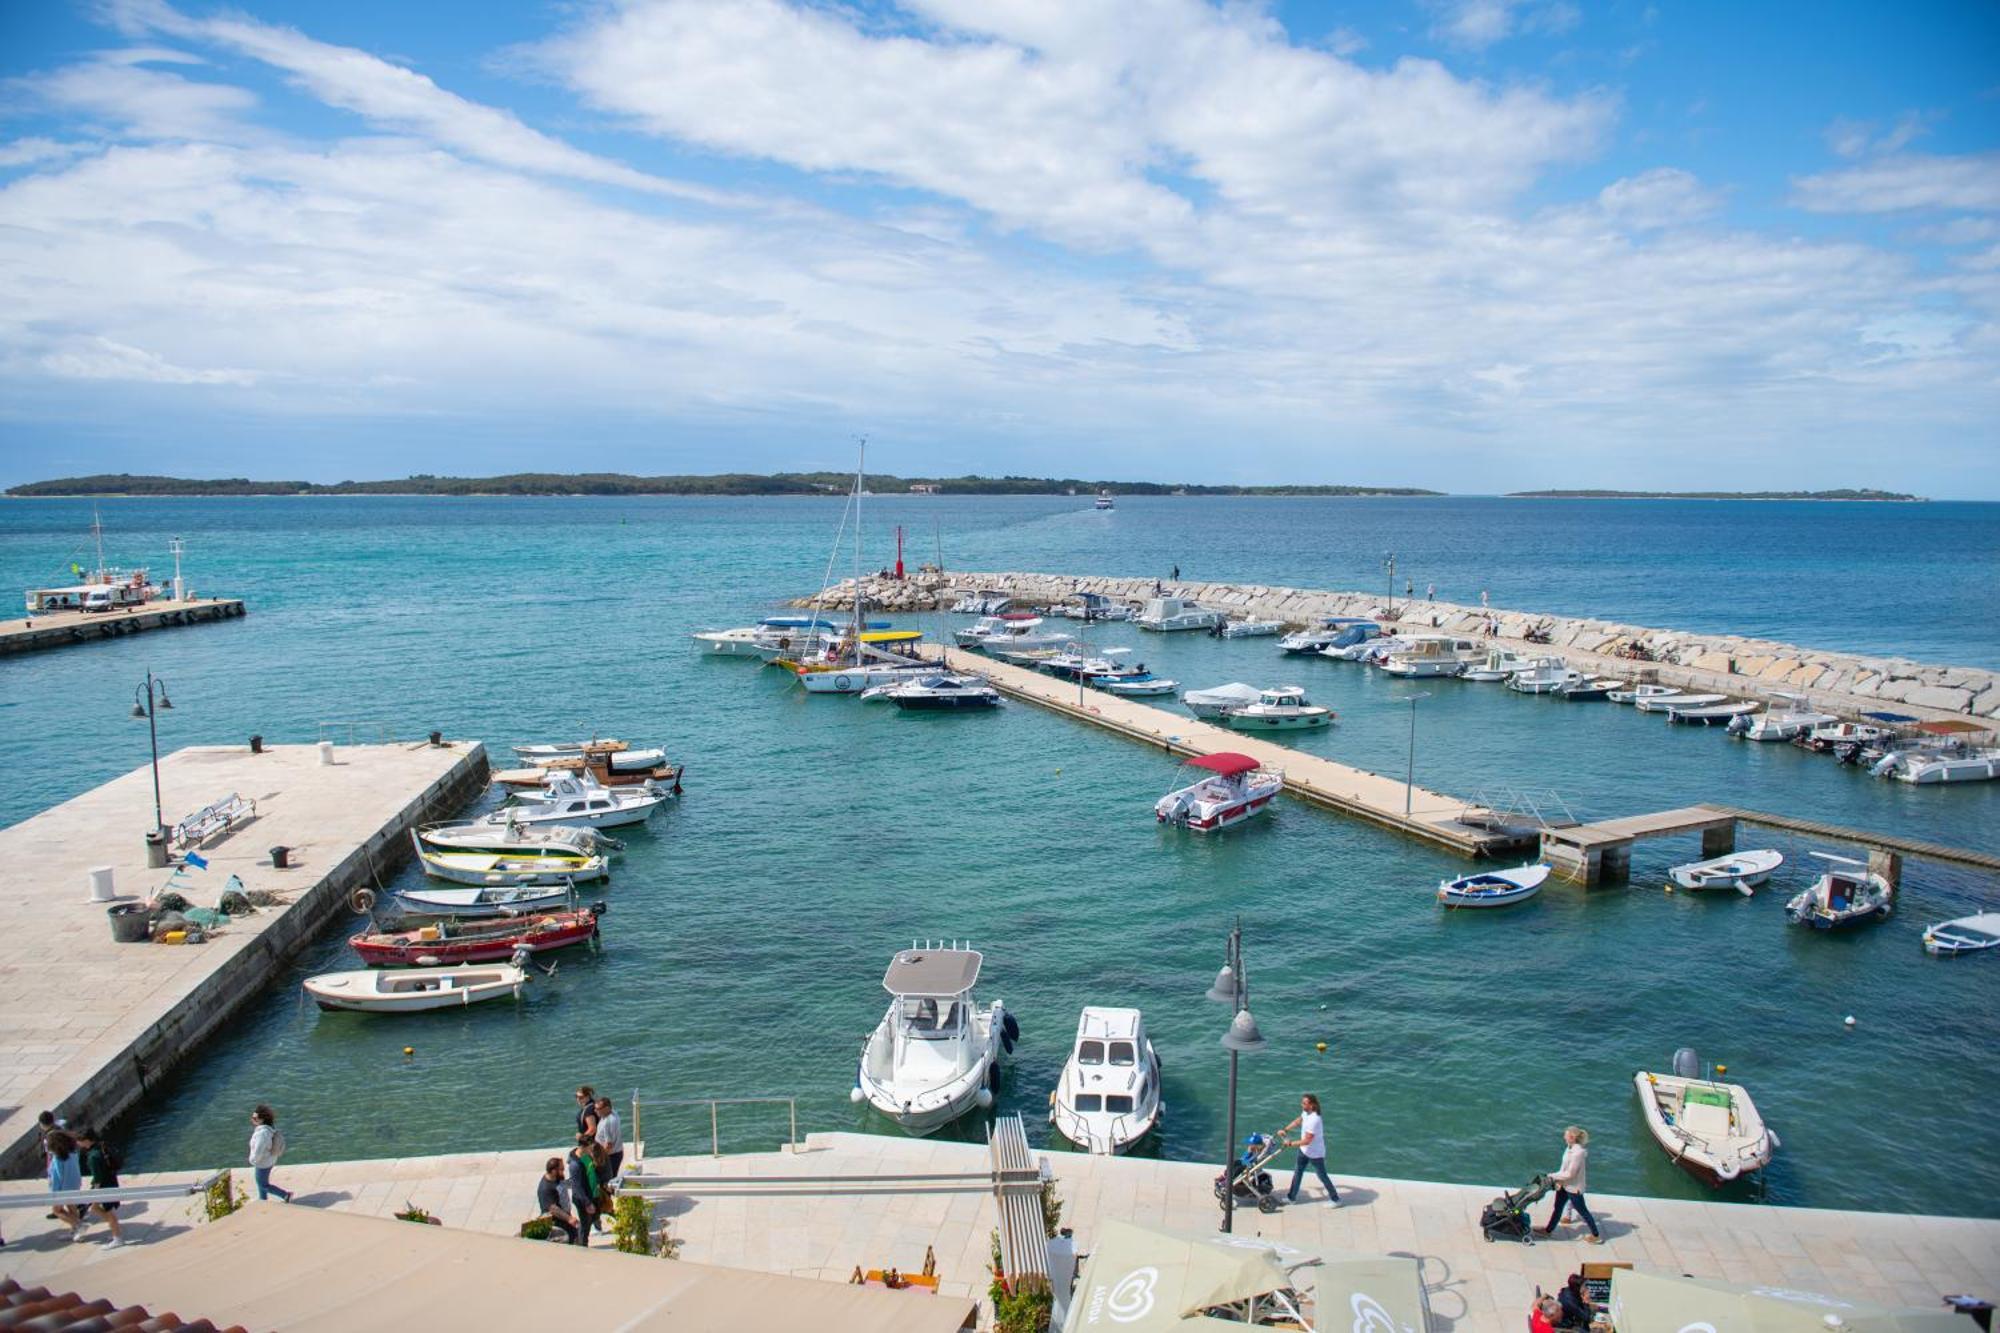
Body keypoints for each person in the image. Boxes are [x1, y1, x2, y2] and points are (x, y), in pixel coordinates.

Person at [1540, 1125, 1600, 1243]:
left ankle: (1596, 1235)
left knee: (1583, 1211)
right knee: (1557, 1208)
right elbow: (1563, 1169)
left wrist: (1552, 1176)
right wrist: (1557, 1179)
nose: (1564, 1137)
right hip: (1564, 1185)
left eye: (1566, 1135)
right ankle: (1548, 1231)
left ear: (1572, 1138)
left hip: (1573, 1188)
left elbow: (1570, 1174)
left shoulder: (1578, 1153)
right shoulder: (1569, 1148)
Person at [73, 1127, 128, 1248]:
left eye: (80, 1140)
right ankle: (116, 1231)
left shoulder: (93, 1157)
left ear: (87, 1140)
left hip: (104, 1187)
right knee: (95, 1208)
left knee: (107, 1210)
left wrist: (93, 1193)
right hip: (111, 1181)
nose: (78, 1143)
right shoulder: (101, 1146)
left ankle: (117, 1237)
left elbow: (97, 1178)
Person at [1280, 1093, 1339, 1206]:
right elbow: (1298, 1121)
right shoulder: (1306, 1113)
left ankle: (1336, 1199)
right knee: (1298, 1172)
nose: (1301, 1105)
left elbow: (1307, 1140)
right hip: (1304, 1151)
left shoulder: (1314, 1120)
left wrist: (1290, 1143)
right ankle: (1291, 1197)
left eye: (1304, 1103)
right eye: (1302, 1102)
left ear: (1311, 1105)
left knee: (1322, 1176)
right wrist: (1285, 1129)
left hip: (1315, 1154)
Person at [248, 1105, 292, 1202]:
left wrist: (253, 1160)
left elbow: (258, 1150)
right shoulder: (269, 1129)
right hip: (269, 1160)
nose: (252, 1119)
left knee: (263, 1185)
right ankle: (262, 1200)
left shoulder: (262, 1133)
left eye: (255, 1118)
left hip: (263, 1163)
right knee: (261, 1183)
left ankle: (285, 1195)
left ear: (262, 1119)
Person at [45, 1129, 83, 1238]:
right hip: (75, 1184)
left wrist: (54, 1192)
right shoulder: (73, 1153)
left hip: (63, 1189)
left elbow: (58, 1177)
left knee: (57, 1210)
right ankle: (75, 1231)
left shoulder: (58, 1158)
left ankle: (79, 1225)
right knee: (72, 1208)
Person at [537, 1156, 579, 1245]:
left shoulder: (557, 1177)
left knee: (576, 1235)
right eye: (561, 1169)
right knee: (571, 1239)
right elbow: (553, 1209)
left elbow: (563, 1184)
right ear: (553, 1171)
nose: (563, 1171)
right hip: (557, 1220)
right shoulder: (545, 1188)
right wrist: (569, 1218)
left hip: (565, 1215)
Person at [565, 1137, 599, 1243]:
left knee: (590, 1221)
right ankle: (582, 1247)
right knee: (585, 1226)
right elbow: (578, 1187)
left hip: (588, 1195)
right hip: (582, 1200)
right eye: (590, 1148)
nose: (591, 1151)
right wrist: (588, 1203)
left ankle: (580, 1240)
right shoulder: (576, 1165)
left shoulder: (583, 1157)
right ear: (583, 1147)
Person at [594, 1096, 624, 1185]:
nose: (595, 1111)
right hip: (615, 1154)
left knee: (608, 1182)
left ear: (607, 1108)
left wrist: (599, 1159)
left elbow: (609, 1145)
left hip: (610, 1156)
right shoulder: (613, 1113)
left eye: (598, 1109)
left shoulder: (608, 1122)